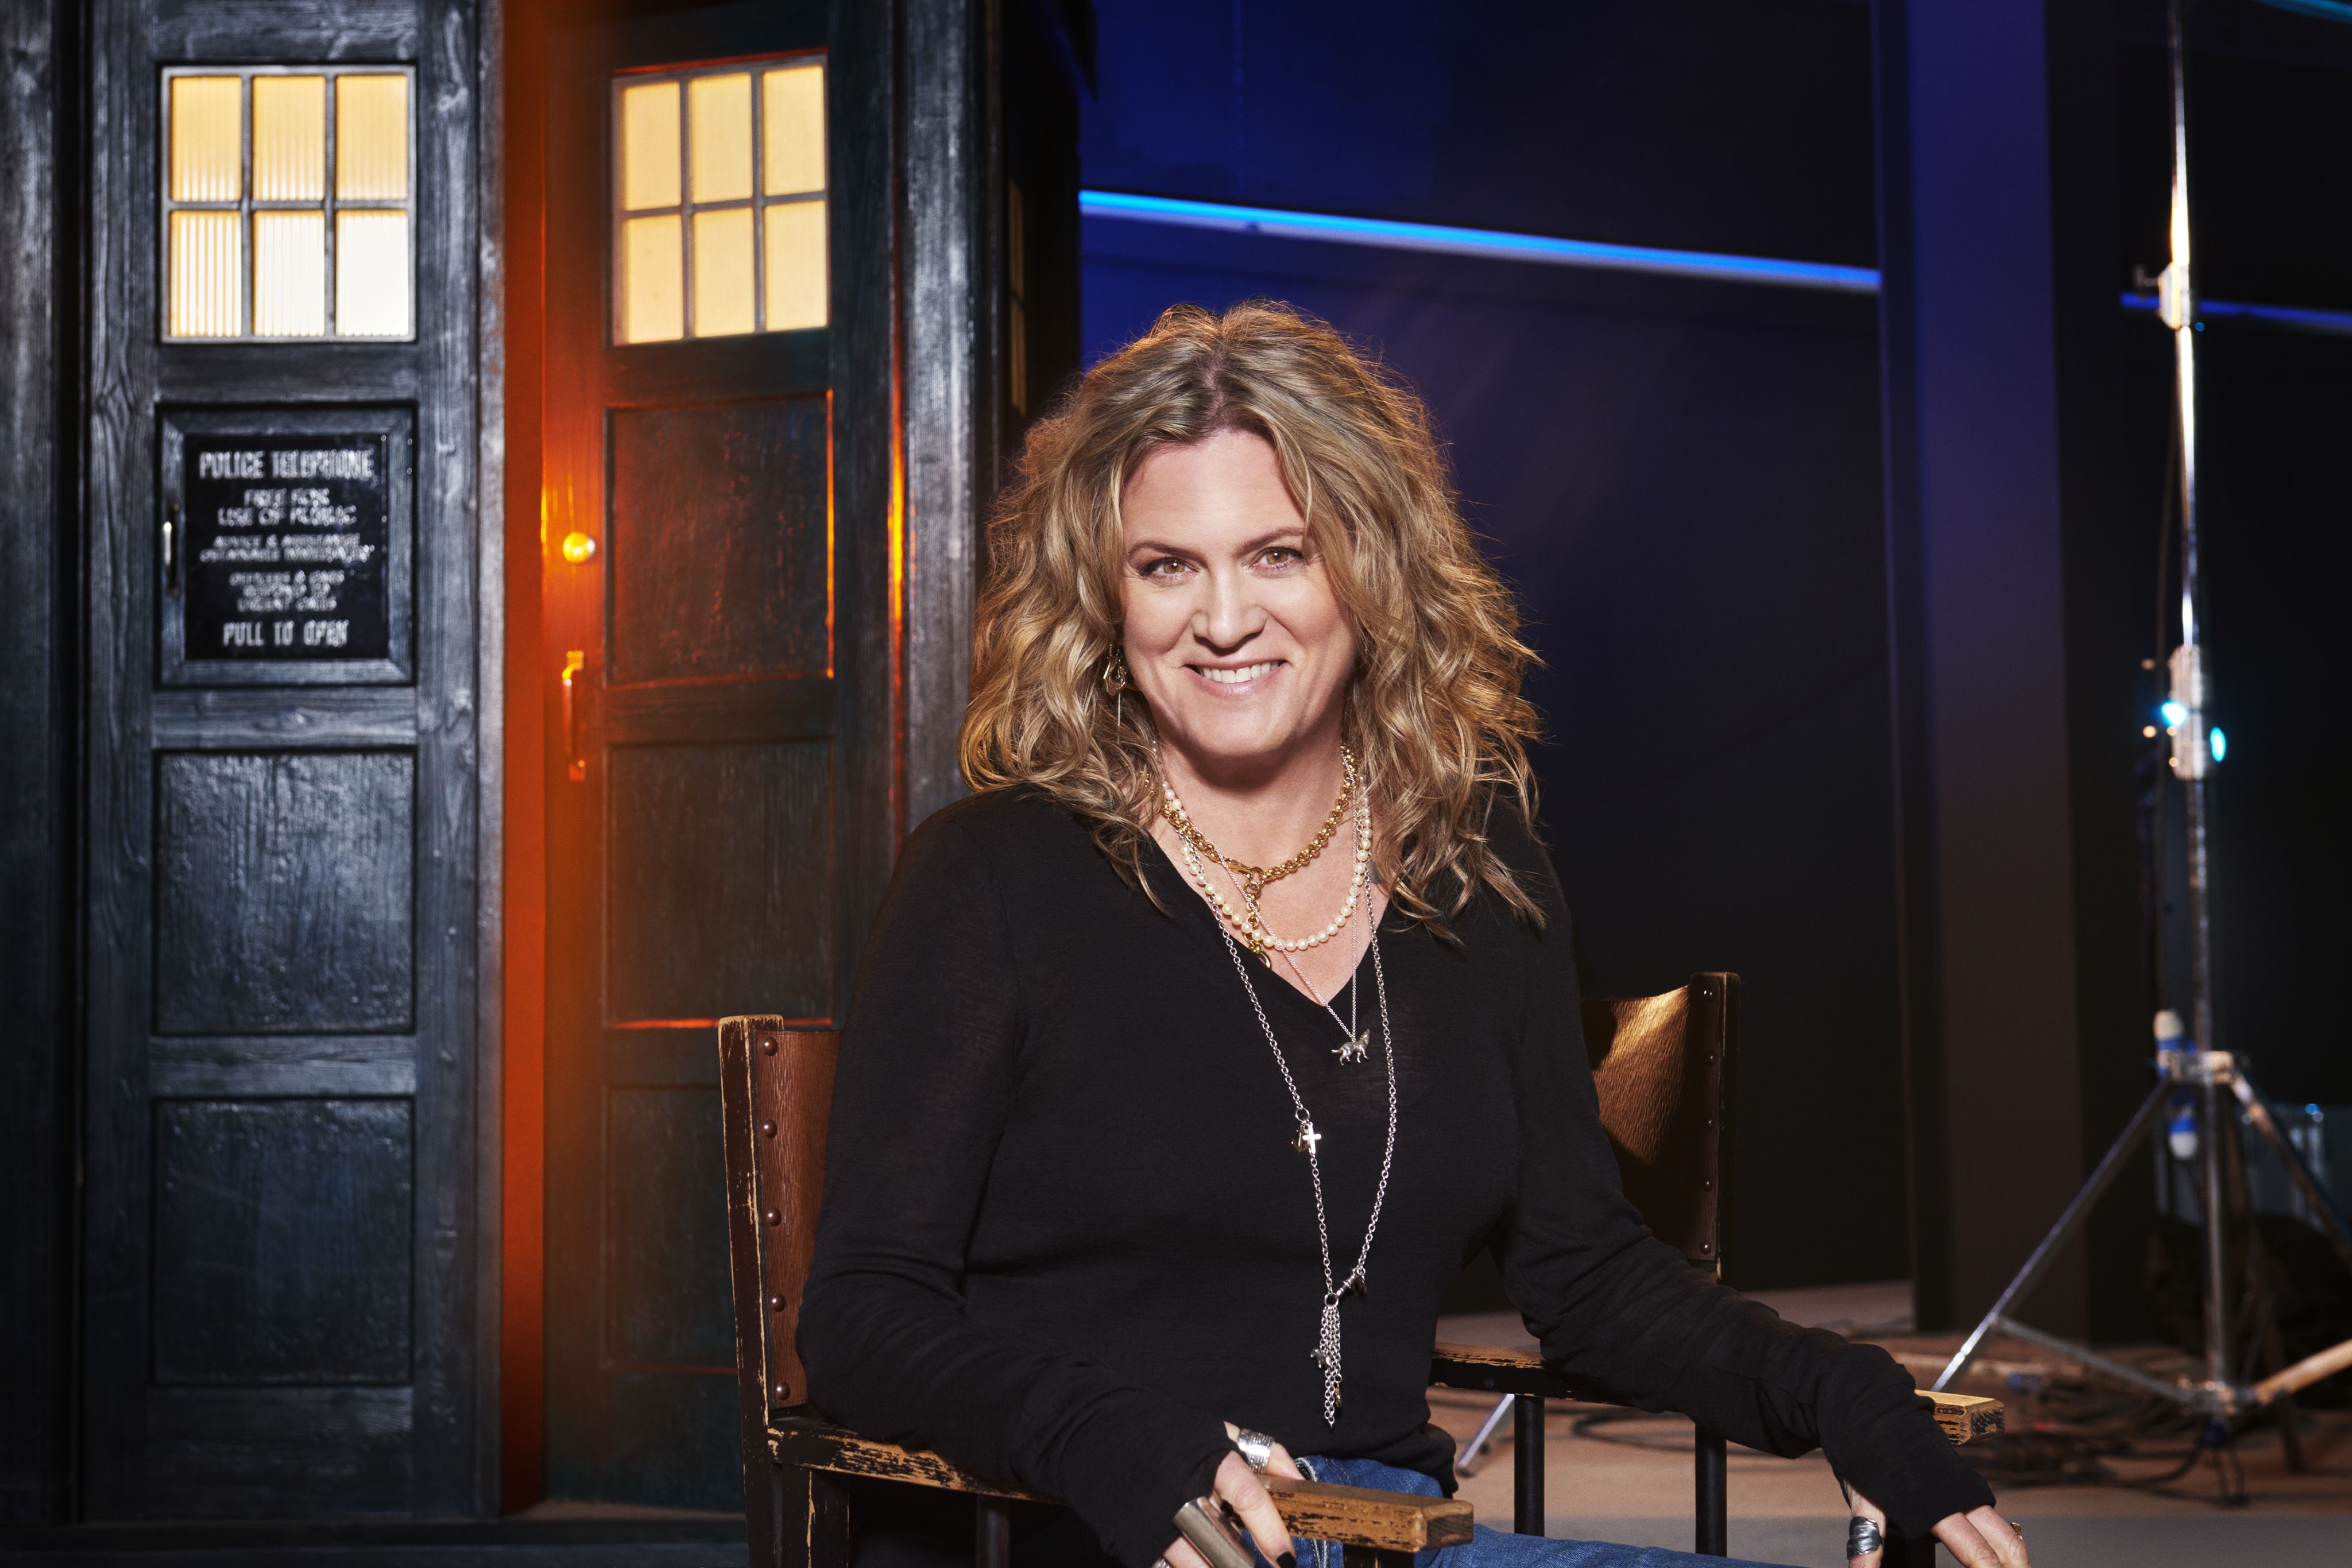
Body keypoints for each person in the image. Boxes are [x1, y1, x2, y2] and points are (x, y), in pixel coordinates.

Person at [799, 301, 2029, 1568]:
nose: (1221, 619)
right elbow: (860, 1313)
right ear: (1105, 599)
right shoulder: (992, 879)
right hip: (1108, 1528)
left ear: (1369, 567)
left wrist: (1847, 1399)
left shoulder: (1477, 874)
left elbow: (1589, 1280)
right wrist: (1104, 1436)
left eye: (1278, 553)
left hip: (1390, 1537)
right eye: (1166, 565)